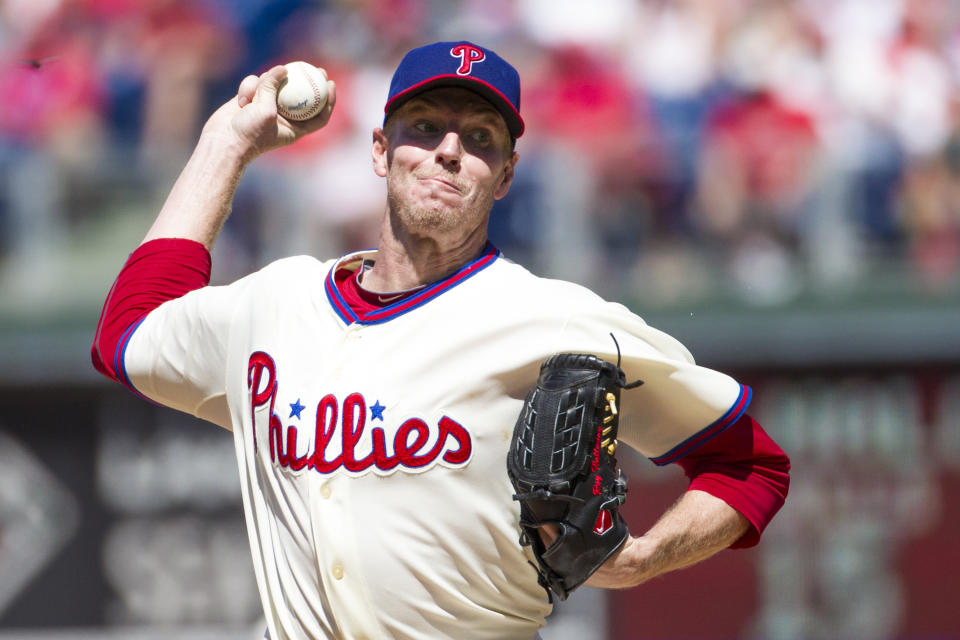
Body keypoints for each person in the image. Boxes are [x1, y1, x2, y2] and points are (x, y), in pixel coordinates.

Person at [92, 41, 790, 640]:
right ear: (380, 150)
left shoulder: (557, 322)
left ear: (507, 174)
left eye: (481, 138)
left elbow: (751, 465)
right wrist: (227, 143)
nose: (450, 151)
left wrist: (645, 558)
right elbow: (128, 332)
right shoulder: (276, 304)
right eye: (424, 127)